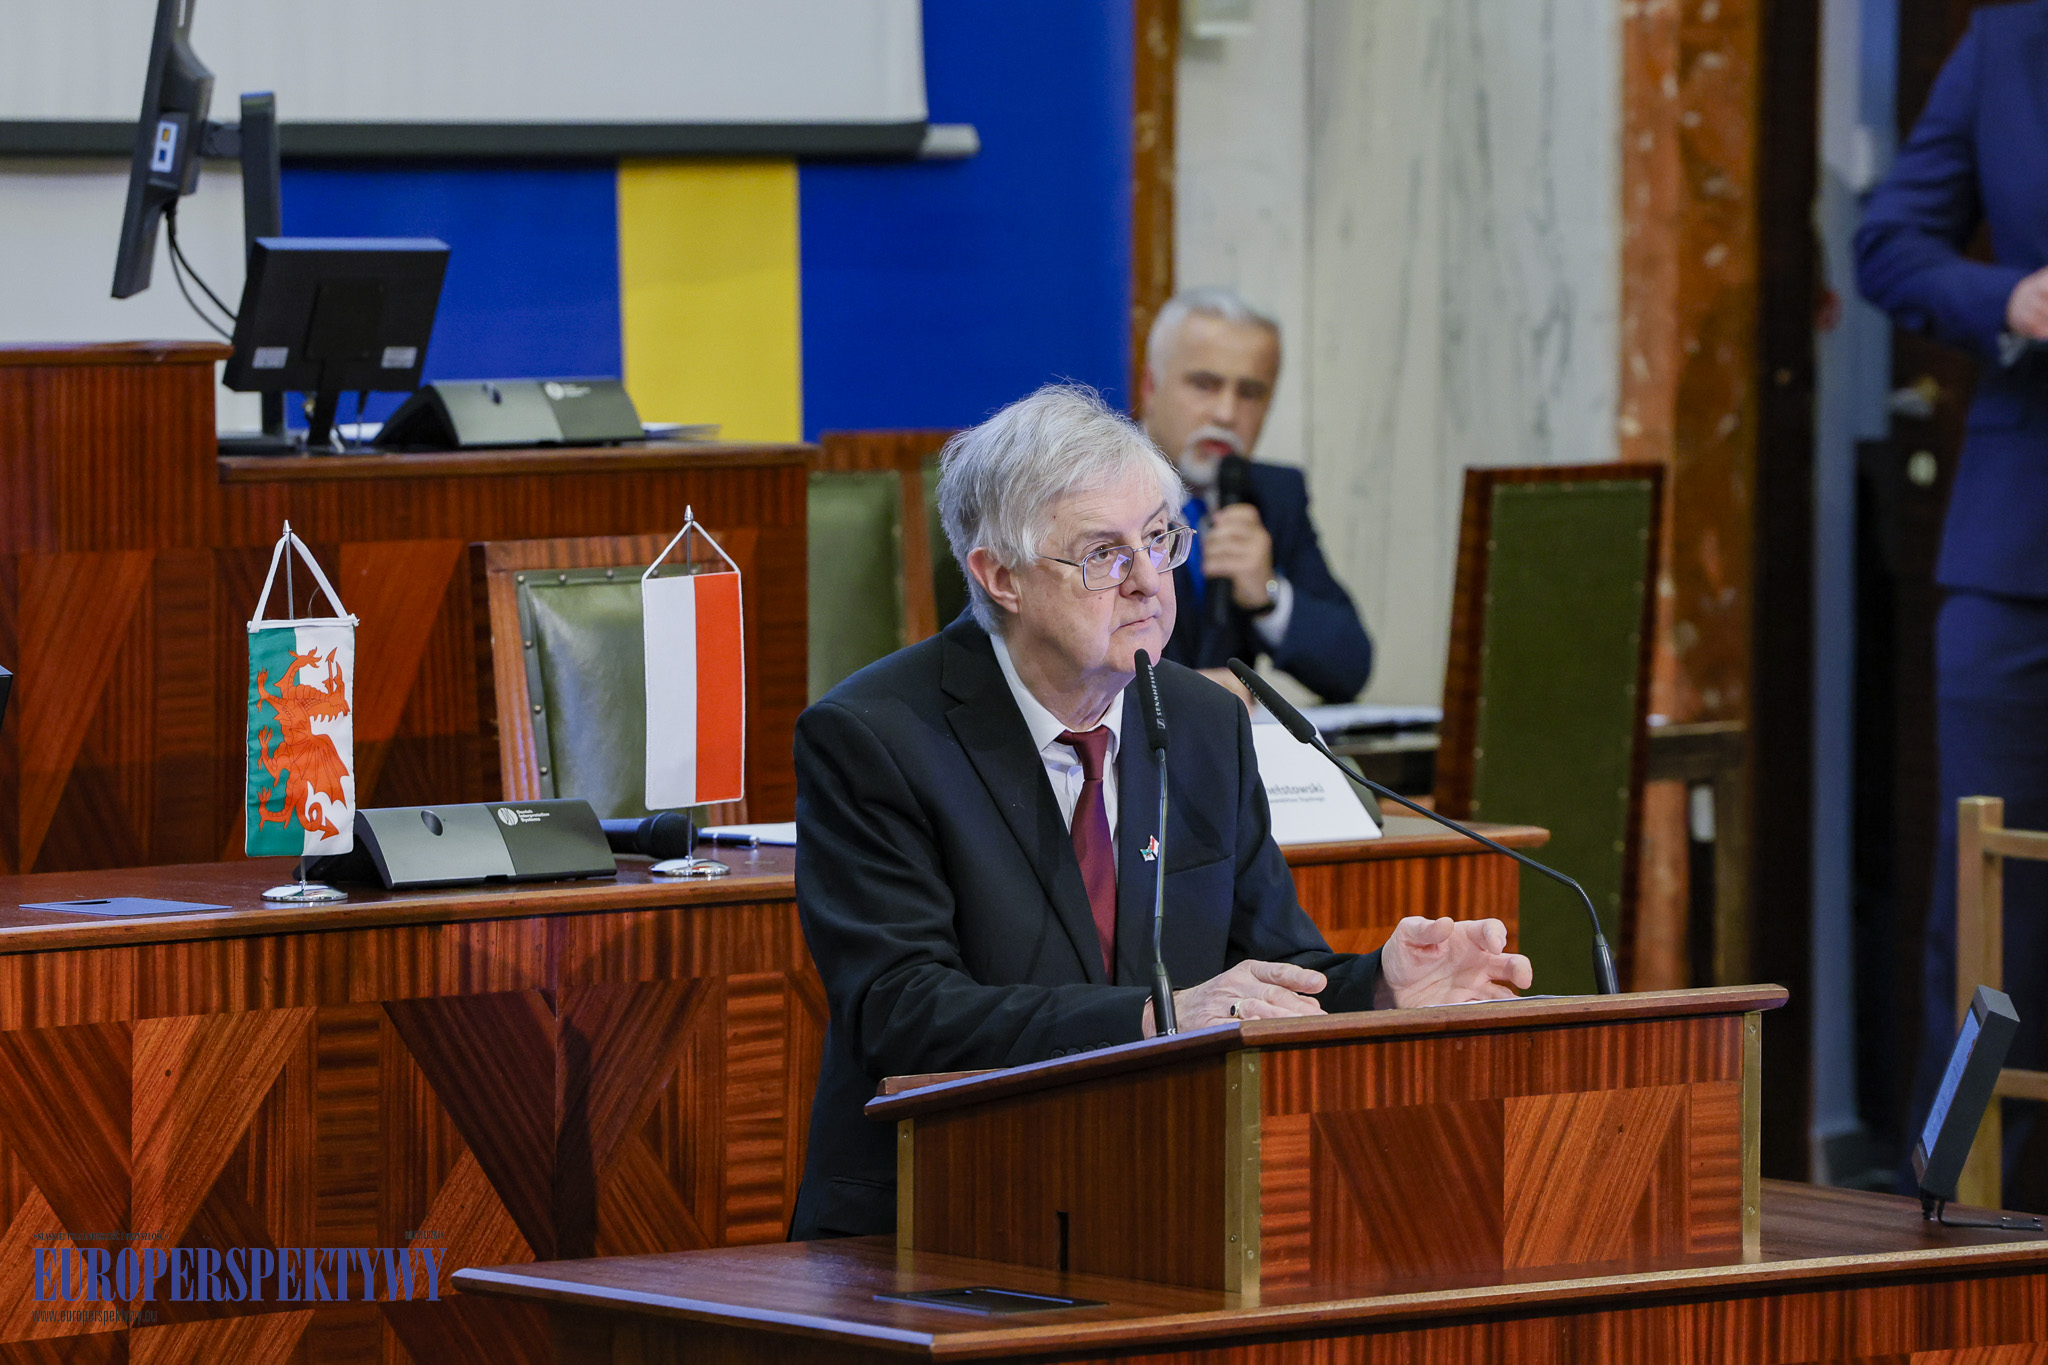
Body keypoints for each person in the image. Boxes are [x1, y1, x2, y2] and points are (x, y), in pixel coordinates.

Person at [788, 384, 1531, 1240]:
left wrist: (1382, 986)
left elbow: (1270, 969)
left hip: (1155, 1198)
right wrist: (1156, 1017)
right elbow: (901, 1011)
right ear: (1000, 576)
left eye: (1160, 538)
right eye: (1104, 553)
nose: (1148, 581)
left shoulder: (1205, 722)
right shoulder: (874, 736)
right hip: (933, 1215)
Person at [1854, 0, 2048, 1207]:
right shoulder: (2007, 42)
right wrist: (2012, 301)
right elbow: (1889, 244)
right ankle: (1952, 1220)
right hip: (2013, 562)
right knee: (1984, 915)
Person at [1139, 287, 1373, 703]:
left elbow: (1349, 666)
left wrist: (1269, 596)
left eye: (1249, 393)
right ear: (1150, 387)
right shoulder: (1093, 490)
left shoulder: (1271, 495)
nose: (1226, 414)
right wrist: (1183, 696)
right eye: (1205, 385)